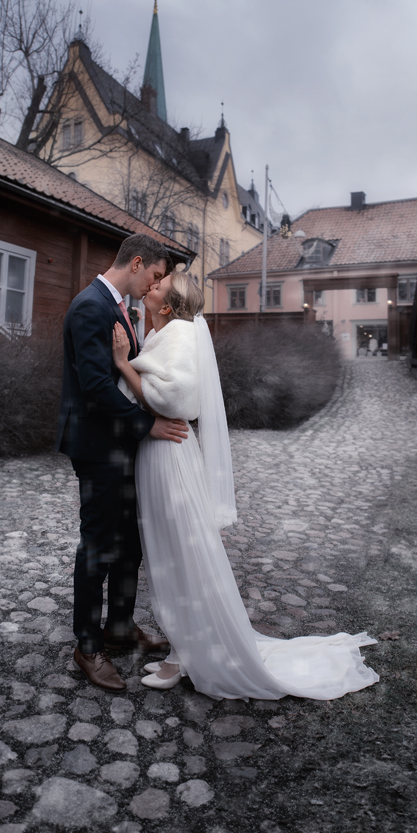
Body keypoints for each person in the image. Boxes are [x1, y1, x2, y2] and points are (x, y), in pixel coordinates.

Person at [112, 270, 379, 701]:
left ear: (166, 305)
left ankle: (188, 654)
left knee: (181, 553)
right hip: (159, 452)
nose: (152, 283)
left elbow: (178, 400)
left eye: (159, 285)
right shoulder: (166, 331)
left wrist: (125, 363)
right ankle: (185, 647)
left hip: (168, 455)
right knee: (171, 552)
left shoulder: (178, 332)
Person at [56, 233, 188, 692]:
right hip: (97, 445)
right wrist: (146, 426)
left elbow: (124, 372)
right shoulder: (91, 305)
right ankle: (88, 646)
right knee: (97, 547)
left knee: (128, 542)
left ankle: (119, 627)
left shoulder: (116, 306)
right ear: (136, 263)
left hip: (119, 444)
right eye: (154, 275)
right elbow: (95, 385)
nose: (155, 283)